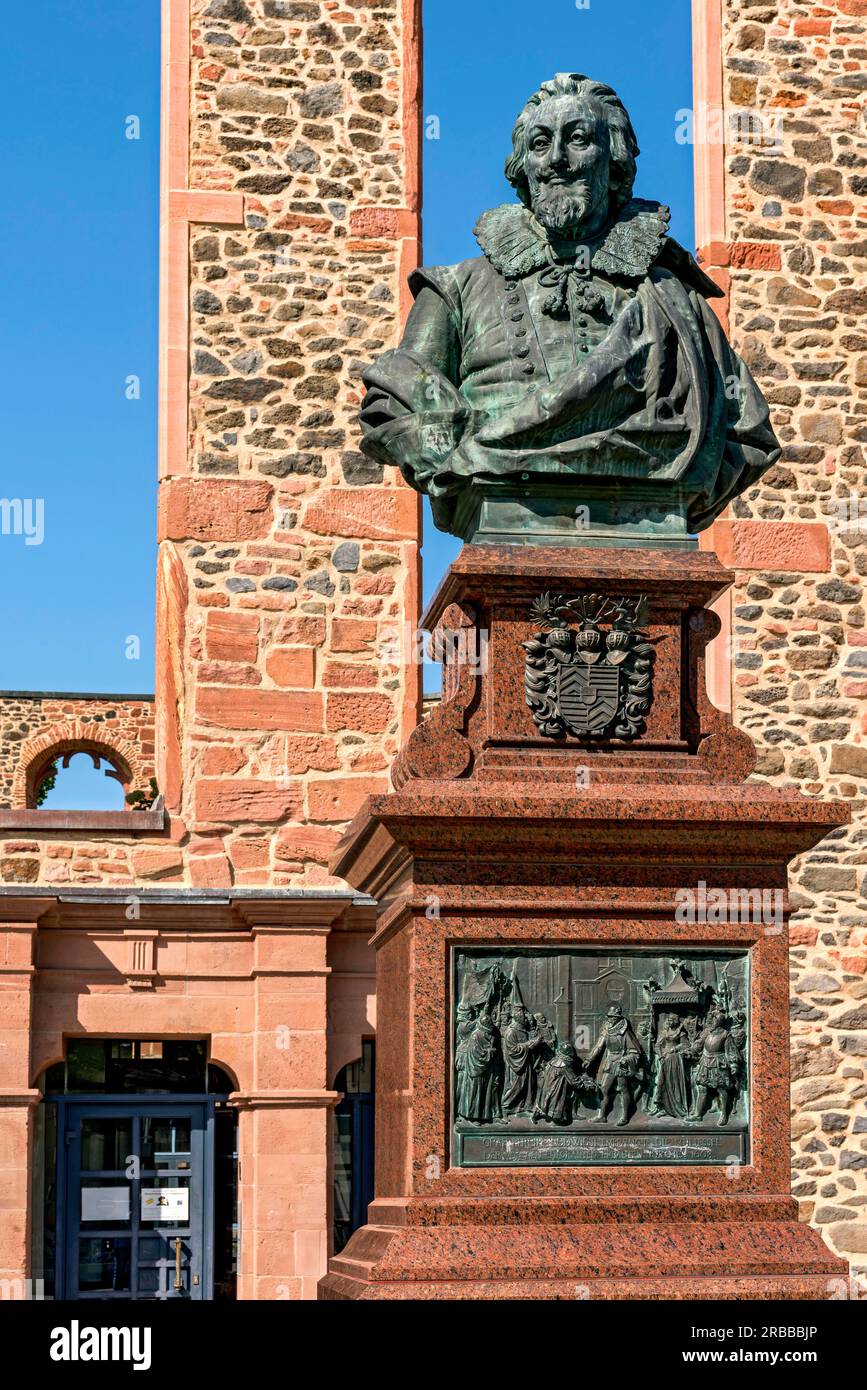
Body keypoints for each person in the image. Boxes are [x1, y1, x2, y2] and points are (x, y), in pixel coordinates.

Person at [359, 72, 778, 542]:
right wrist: (461, 448)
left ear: (614, 163)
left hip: (654, 521)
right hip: (496, 521)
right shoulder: (456, 289)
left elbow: (744, 433)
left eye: (577, 139)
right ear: (524, 167)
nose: (556, 159)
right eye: (540, 144)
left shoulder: (674, 303)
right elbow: (392, 403)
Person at [584, 1003, 644, 1126]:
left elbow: (635, 1051)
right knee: (603, 1089)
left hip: (621, 1063)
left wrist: (625, 1059)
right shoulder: (606, 1030)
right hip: (609, 1062)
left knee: (623, 1089)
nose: (609, 1019)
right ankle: (602, 1116)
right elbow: (599, 1046)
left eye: (611, 1017)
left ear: (617, 1018)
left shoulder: (625, 1032)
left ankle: (625, 1116)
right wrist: (589, 1059)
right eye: (608, 1017)